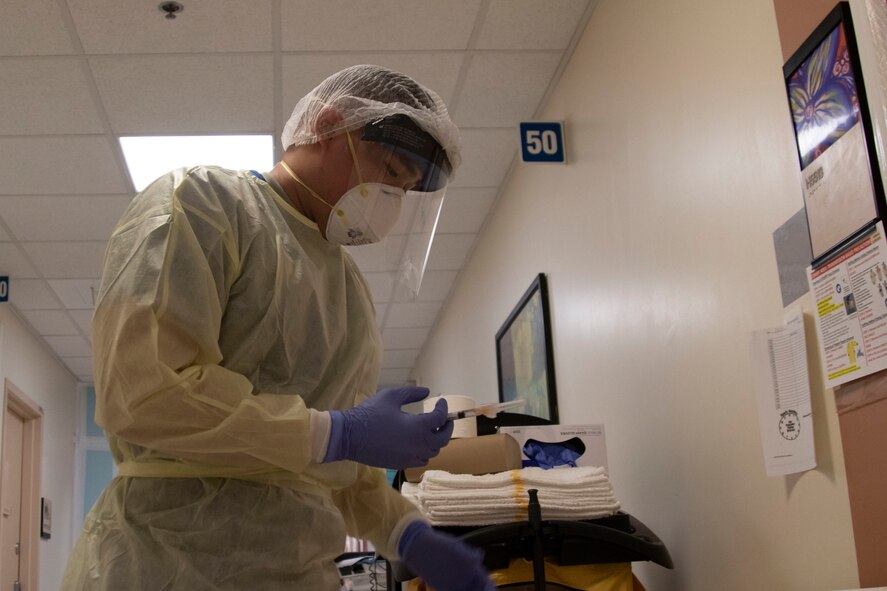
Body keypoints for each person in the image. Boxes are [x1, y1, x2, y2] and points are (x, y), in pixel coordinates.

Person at [61, 65, 496, 591]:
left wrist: (406, 531)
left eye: (404, 190)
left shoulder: (349, 290)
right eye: (388, 170)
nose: (390, 199)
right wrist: (340, 431)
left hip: (300, 570)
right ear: (329, 126)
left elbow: (330, 459)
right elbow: (145, 391)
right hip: (163, 561)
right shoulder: (202, 205)